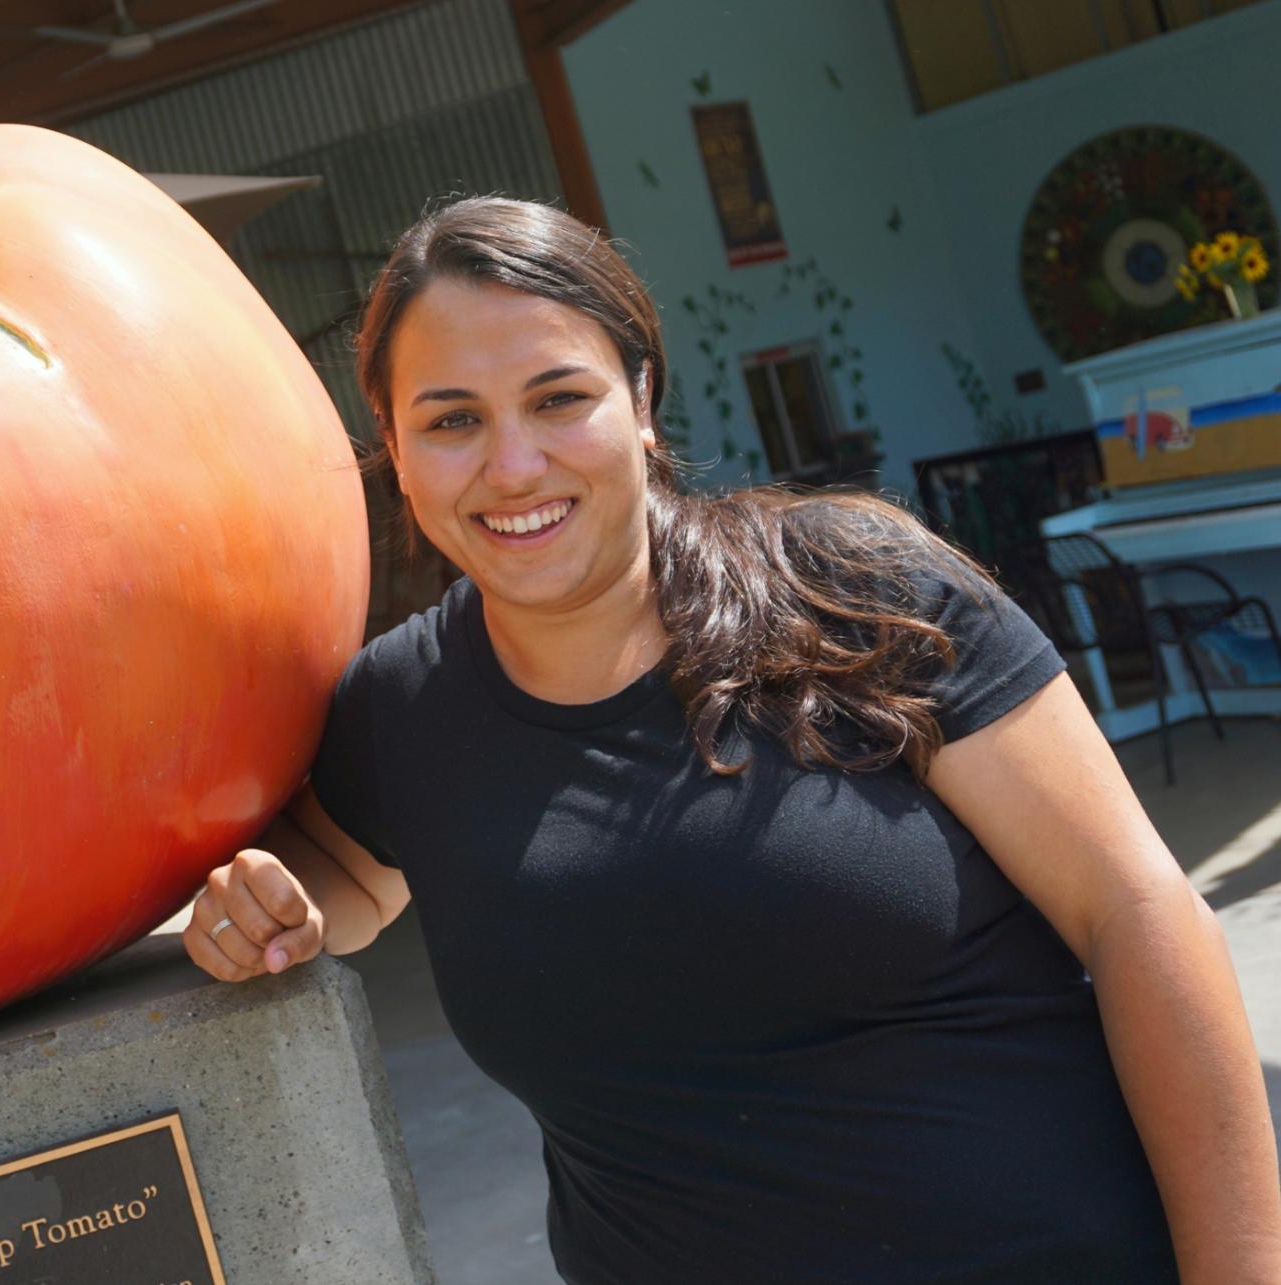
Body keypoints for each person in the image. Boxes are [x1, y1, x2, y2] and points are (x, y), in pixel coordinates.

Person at [183, 196, 1281, 1283]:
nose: (512, 466)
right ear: (393, 447)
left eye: (558, 397)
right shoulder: (399, 711)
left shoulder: (856, 594)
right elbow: (340, 882)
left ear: (641, 399)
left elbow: (1137, 913)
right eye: (453, 418)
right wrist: (268, 905)